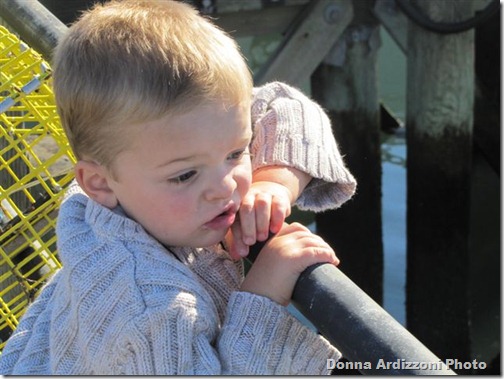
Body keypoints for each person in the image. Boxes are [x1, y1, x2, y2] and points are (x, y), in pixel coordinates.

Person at [0, 0, 356, 375]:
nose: (224, 188)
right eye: (185, 176)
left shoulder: (132, 186)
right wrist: (263, 294)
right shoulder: (151, 311)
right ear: (99, 182)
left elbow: (286, 106)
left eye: (237, 153)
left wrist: (274, 183)